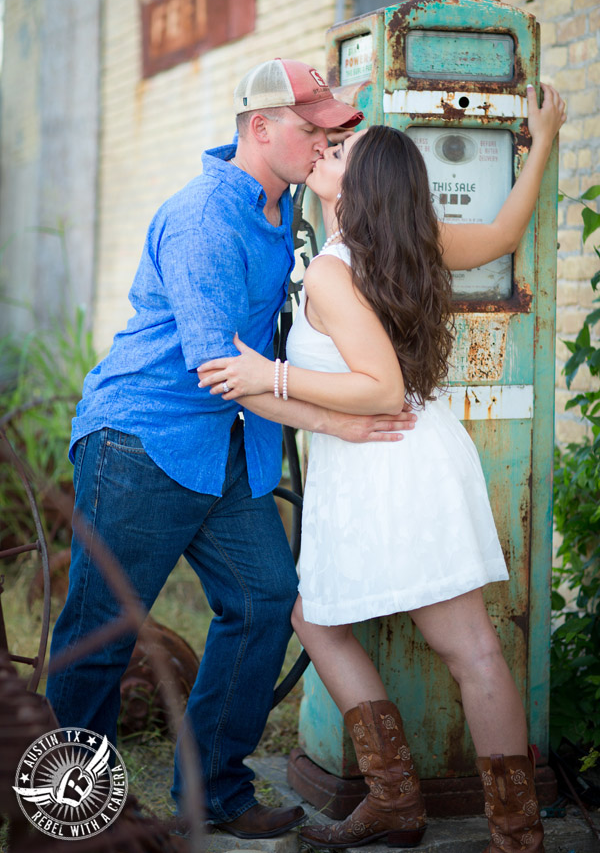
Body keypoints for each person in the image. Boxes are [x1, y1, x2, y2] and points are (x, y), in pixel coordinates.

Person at [46, 58, 425, 841]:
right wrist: (336, 423)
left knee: (263, 602)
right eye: (314, 131)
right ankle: (74, 812)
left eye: (332, 133)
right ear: (261, 129)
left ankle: (211, 790)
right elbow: (219, 367)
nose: (328, 143)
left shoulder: (283, 203)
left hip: (228, 445)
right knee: (103, 628)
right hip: (142, 437)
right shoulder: (203, 219)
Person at [198, 84, 566, 852]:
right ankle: (437, 810)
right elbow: (500, 233)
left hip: (388, 465)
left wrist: (273, 377)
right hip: (402, 458)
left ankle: (484, 824)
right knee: (333, 620)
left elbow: (381, 389)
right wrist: (542, 139)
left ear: (363, 189)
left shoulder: (335, 272)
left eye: (342, 153)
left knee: (457, 646)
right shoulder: (417, 238)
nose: (327, 151)